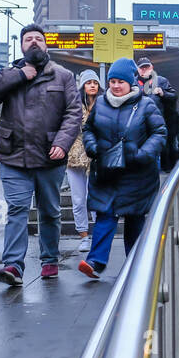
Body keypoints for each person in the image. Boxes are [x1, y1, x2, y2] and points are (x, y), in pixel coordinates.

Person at [0, 24, 82, 286]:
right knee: (17, 210)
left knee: (49, 211)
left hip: (50, 156)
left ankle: (49, 259)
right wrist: (18, 76)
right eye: (29, 39)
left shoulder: (63, 76)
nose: (34, 42)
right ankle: (13, 266)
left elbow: (73, 113)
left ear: (46, 45)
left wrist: (62, 142)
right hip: (14, 156)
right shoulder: (10, 73)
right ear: (22, 46)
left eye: (39, 39)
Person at [78, 58, 166, 279]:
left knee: (135, 219)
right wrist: (92, 146)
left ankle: (135, 264)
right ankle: (95, 262)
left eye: (120, 82)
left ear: (131, 82)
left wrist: (142, 154)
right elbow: (88, 129)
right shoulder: (100, 103)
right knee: (104, 215)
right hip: (107, 172)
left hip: (137, 175)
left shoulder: (146, 105)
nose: (116, 86)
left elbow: (159, 133)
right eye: (112, 81)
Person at [65, 70, 101, 253]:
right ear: (83, 86)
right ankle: (84, 236)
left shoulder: (104, 105)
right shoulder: (74, 106)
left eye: (95, 82)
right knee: (78, 199)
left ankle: (99, 235)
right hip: (75, 157)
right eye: (89, 82)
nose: (92, 85)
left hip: (97, 157)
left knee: (95, 197)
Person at [136, 56, 178, 171]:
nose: (144, 70)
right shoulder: (133, 83)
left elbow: (174, 96)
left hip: (160, 122)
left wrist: (163, 93)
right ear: (138, 69)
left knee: (163, 146)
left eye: (147, 67)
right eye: (141, 68)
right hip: (140, 124)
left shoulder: (161, 81)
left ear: (152, 67)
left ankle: (168, 169)